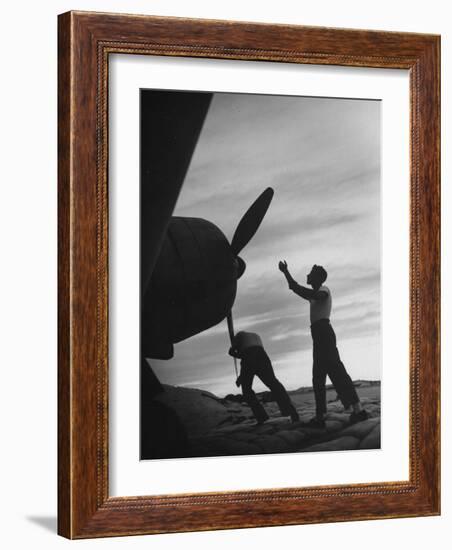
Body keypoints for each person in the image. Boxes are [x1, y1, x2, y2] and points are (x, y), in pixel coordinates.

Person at [278, 261, 368, 427]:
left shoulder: (323, 290)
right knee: (318, 377)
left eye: (310, 273)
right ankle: (321, 416)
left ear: (317, 277)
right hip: (318, 335)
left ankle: (358, 410)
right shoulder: (314, 295)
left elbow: (317, 295)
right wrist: (285, 271)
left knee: (337, 372)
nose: (307, 275)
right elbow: (294, 286)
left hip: (324, 333)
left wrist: (303, 290)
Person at [229, 331, 299, 425]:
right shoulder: (255, 335)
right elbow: (251, 358)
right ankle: (291, 412)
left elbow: (239, 355)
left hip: (249, 356)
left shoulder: (238, 336)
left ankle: (261, 417)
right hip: (262, 355)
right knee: (274, 384)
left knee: (247, 390)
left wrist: (234, 351)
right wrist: (241, 378)